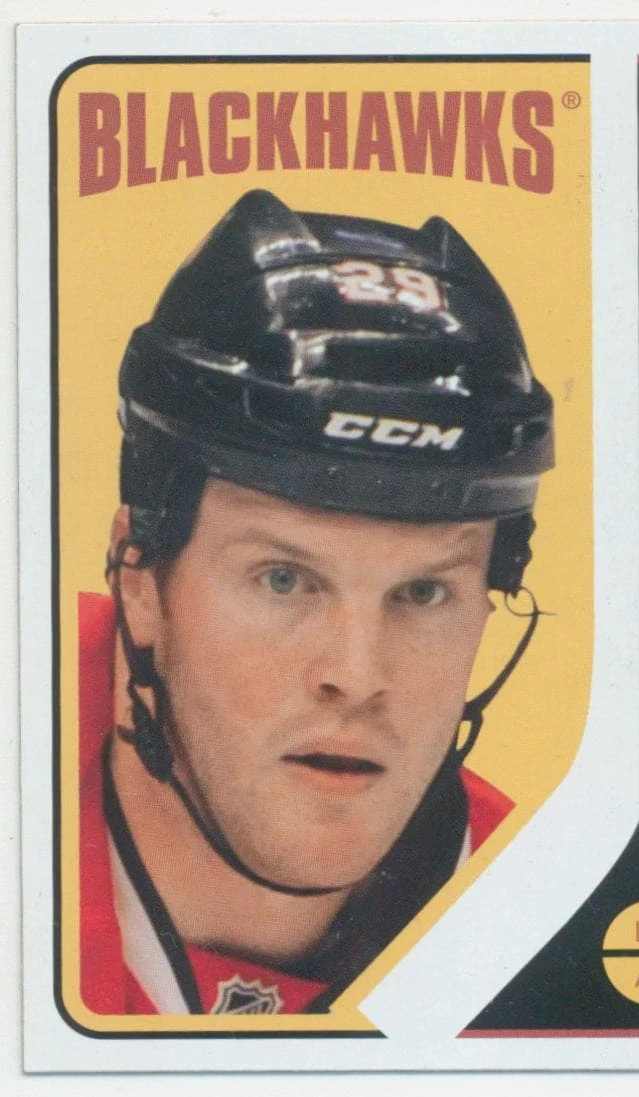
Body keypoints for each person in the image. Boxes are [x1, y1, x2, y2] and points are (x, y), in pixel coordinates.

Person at [78, 189, 554, 1017]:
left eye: (423, 591)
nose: (356, 676)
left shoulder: (544, 920)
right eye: (283, 578)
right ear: (141, 578)